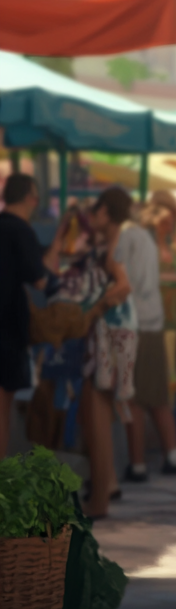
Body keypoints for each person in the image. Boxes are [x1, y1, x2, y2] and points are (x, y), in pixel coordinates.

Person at [119, 197, 176, 481]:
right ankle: (172, 455)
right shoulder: (151, 245)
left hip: (135, 323)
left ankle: (138, 464)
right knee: (156, 396)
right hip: (154, 323)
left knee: (136, 398)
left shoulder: (132, 238)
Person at [81, 187, 137, 518]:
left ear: (106, 212)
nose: (92, 216)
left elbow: (124, 285)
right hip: (118, 332)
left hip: (112, 334)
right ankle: (105, 488)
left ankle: (100, 498)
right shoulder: (120, 239)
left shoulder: (117, 242)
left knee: (97, 411)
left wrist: (95, 308)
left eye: (95, 210)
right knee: (99, 412)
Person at [0, 174, 60, 458]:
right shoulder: (20, 230)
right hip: (6, 329)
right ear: (28, 198)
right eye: (36, 197)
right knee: (2, 408)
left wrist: (58, 240)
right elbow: (39, 278)